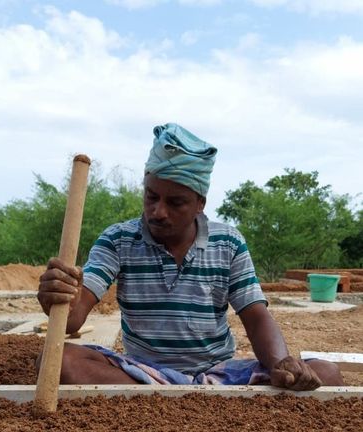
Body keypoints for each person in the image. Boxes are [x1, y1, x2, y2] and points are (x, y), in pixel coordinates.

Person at [37, 123, 343, 389]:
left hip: (218, 375)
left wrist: (281, 364)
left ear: (200, 203)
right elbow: (72, 320)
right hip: (143, 373)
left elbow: (256, 316)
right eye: (151, 196)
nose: (158, 211)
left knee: (326, 373)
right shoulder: (118, 240)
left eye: (176, 202)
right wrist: (59, 297)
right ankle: (178, 402)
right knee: (57, 361)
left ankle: (165, 403)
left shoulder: (228, 242)